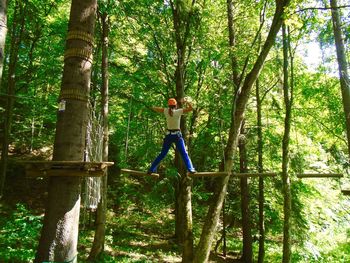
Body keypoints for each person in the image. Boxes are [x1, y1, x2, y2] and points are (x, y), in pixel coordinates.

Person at [148, 98, 196, 174]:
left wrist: (151, 106)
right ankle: (191, 169)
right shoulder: (178, 111)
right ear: (176, 105)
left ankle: (151, 169)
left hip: (169, 136)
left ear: (168, 105)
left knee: (162, 154)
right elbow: (191, 109)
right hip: (177, 135)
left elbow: (156, 109)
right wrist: (187, 101)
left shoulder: (166, 111)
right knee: (184, 153)